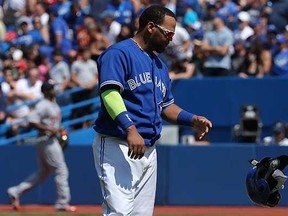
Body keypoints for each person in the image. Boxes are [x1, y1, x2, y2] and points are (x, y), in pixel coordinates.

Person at [92, 5, 212, 216]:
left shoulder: (159, 65)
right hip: (118, 143)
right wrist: (130, 128)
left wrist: (191, 119)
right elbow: (110, 94)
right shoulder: (119, 53)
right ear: (150, 27)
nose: (171, 39)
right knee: (119, 213)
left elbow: (166, 106)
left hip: (148, 148)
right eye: (168, 33)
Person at [6, 81, 76, 212]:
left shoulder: (53, 103)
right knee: (61, 169)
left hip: (49, 140)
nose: (54, 90)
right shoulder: (42, 104)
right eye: (51, 89)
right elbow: (32, 121)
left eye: (54, 88)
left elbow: (52, 122)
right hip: (46, 140)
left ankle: (15, 191)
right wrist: (49, 129)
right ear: (45, 91)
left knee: (42, 173)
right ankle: (62, 202)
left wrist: (58, 129)